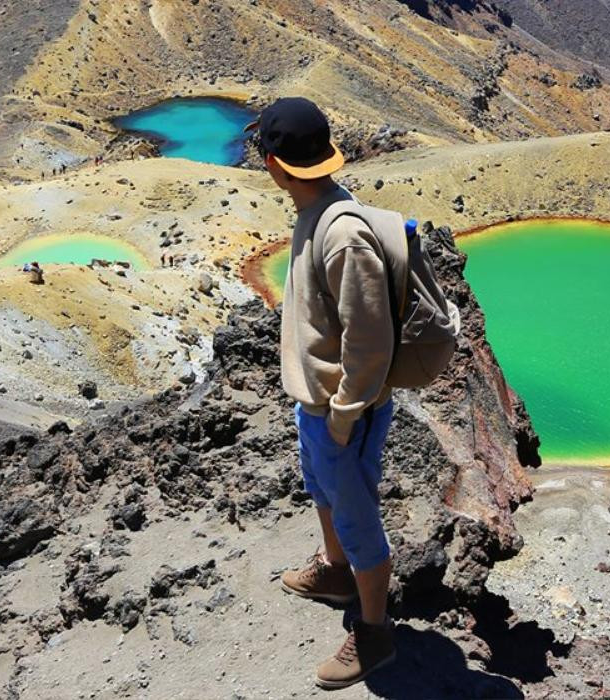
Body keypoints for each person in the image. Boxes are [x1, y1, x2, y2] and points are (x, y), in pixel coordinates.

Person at [248, 97, 398, 689]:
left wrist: (343, 413)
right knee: (324, 492)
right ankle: (336, 571)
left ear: (273, 165)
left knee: (360, 520)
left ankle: (375, 632)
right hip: (317, 404)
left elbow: (370, 341)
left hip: (343, 411)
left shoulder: (342, 234)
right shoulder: (313, 208)